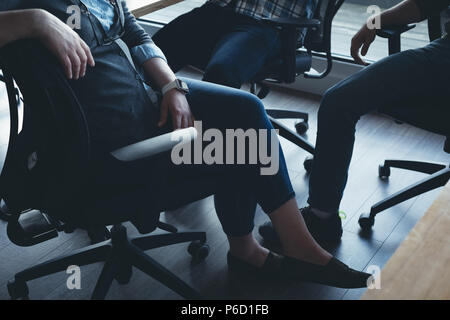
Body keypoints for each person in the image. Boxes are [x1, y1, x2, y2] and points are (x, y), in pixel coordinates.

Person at [1, 0, 370, 289]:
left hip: (141, 104)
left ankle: (263, 247)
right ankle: (285, 249)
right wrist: (36, 19)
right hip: (112, 150)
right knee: (246, 144)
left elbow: (134, 32)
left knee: (246, 109)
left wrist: (170, 86)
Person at [260, 0, 450, 245]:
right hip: (443, 55)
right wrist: (375, 21)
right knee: (338, 101)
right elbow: (424, 5)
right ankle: (321, 218)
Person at [152, 0, 317, 88]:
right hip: (220, 9)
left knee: (222, 72)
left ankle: (203, 138)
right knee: (152, 52)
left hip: (268, 23)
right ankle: (141, 121)